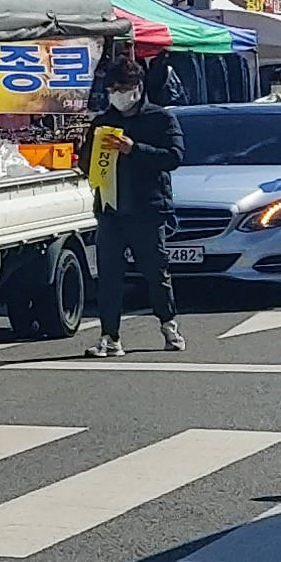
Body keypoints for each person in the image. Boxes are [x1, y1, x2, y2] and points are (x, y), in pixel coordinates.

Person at [80, 51, 185, 359]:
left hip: (147, 208)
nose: (117, 96)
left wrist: (133, 148)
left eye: (122, 89)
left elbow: (174, 157)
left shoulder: (160, 118)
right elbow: (88, 162)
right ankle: (110, 336)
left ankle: (169, 325)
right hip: (111, 209)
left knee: (156, 271)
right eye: (112, 90)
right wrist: (84, 157)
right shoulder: (103, 122)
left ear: (137, 87)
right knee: (109, 276)